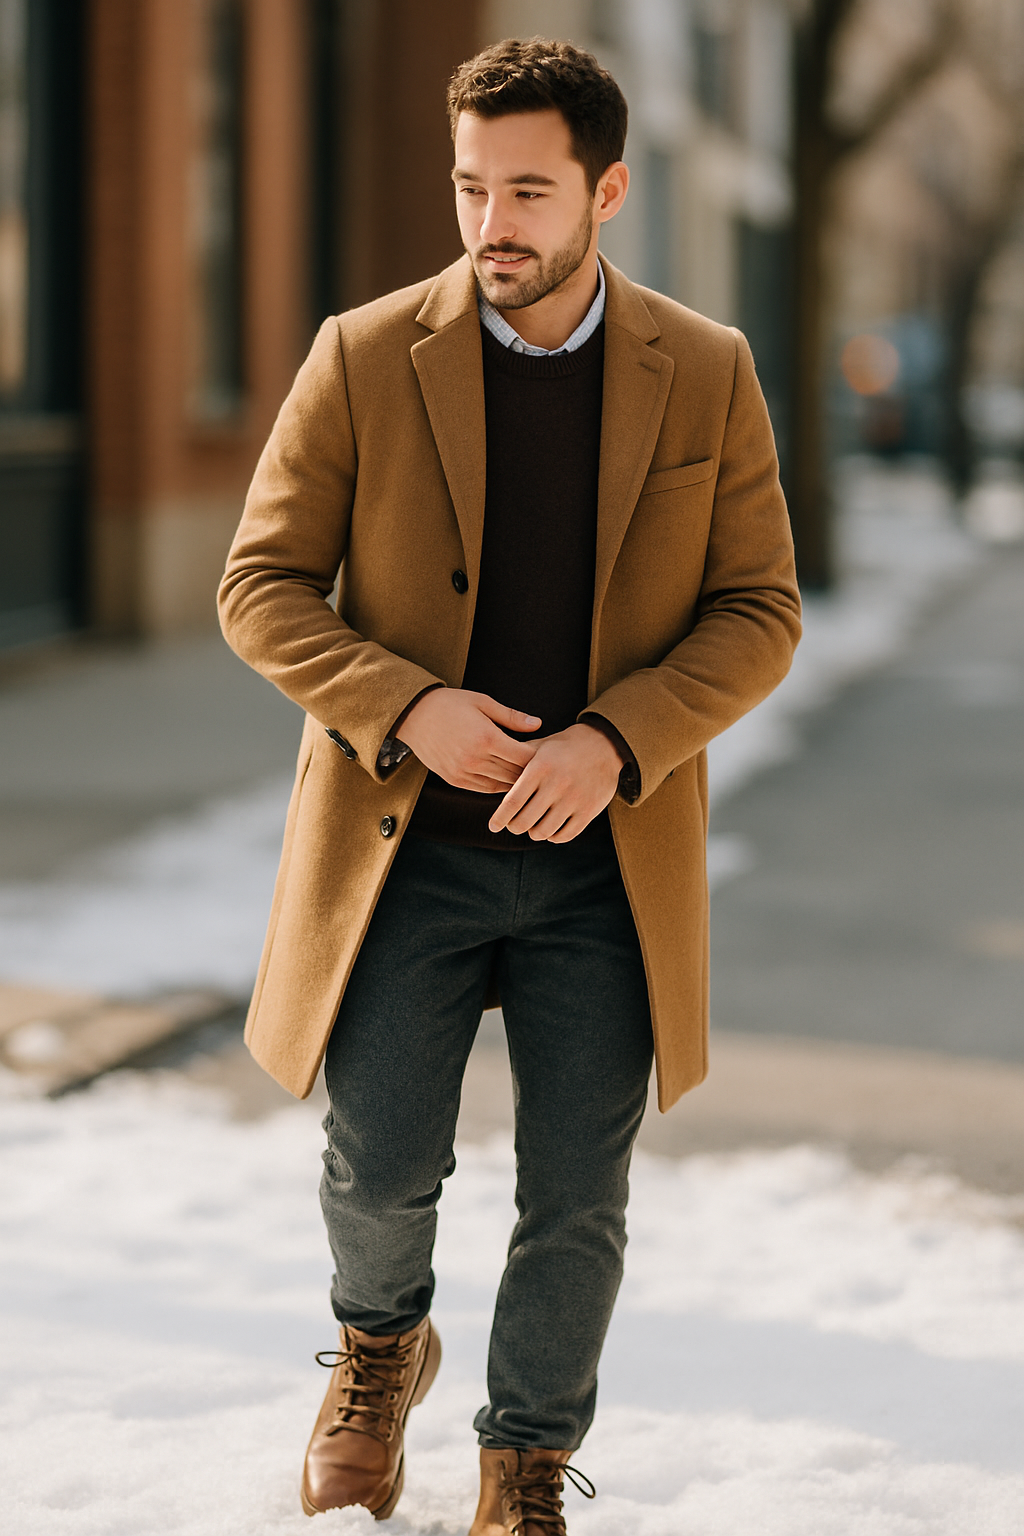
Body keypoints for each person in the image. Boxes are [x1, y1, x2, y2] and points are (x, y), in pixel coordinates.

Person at [218, 36, 800, 1536]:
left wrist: (616, 739)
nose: (494, 225)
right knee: (378, 1162)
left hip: (611, 863)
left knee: (576, 1198)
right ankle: (374, 1351)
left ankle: (524, 1461)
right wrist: (406, 703)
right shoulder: (362, 352)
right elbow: (262, 584)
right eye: (473, 188)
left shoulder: (709, 369)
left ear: (608, 190)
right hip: (403, 845)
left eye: (529, 191)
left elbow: (760, 609)